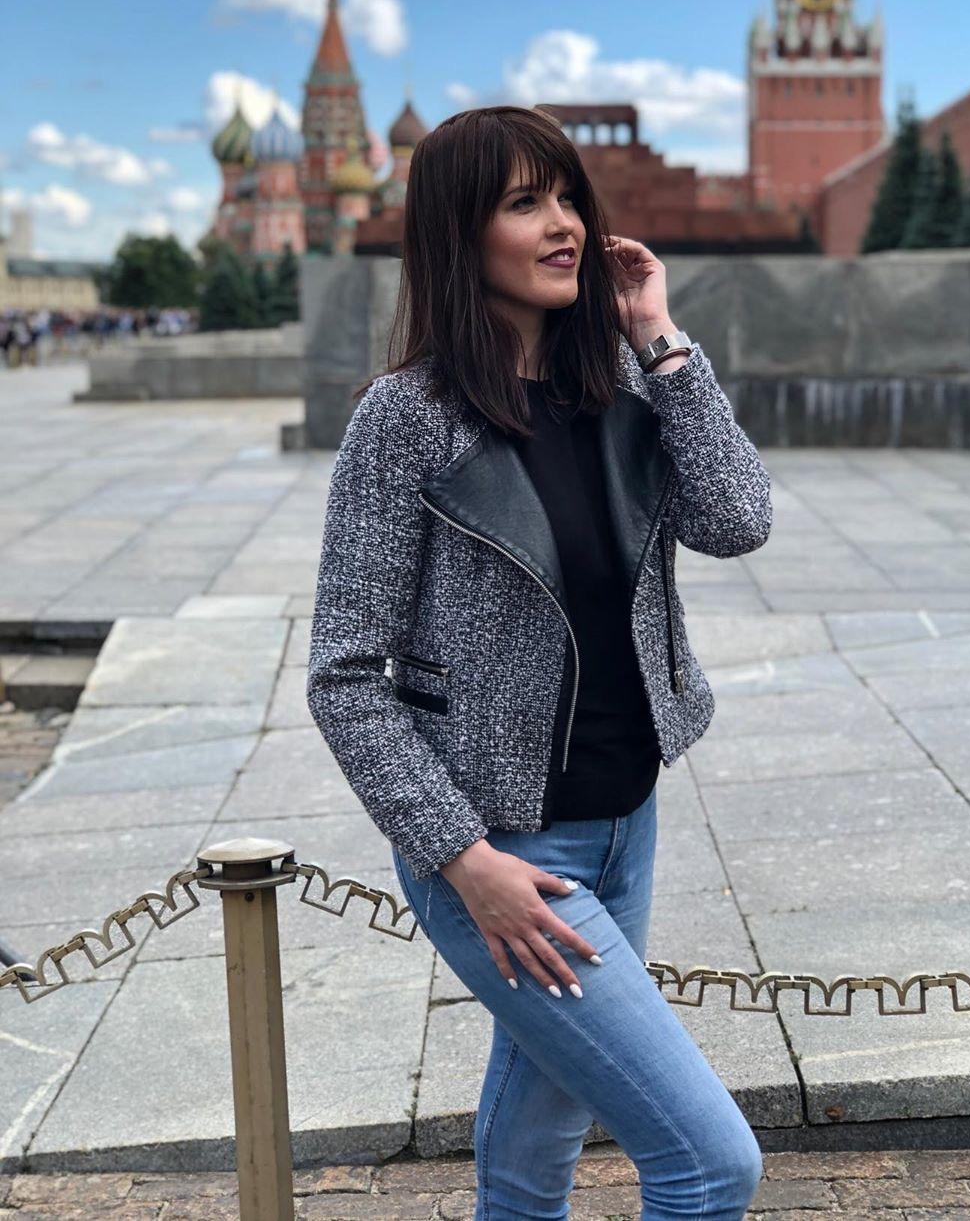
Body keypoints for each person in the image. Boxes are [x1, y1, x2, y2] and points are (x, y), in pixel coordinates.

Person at [307, 104, 772, 1219]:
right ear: (459, 235)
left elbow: (738, 519)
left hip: (623, 822)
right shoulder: (406, 419)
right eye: (526, 203)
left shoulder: (621, 385)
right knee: (711, 1164)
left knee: (531, 1155)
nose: (564, 224)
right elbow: (344, 677)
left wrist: (659, 337)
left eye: (568, 197)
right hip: (502, 853)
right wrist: (464, 861)